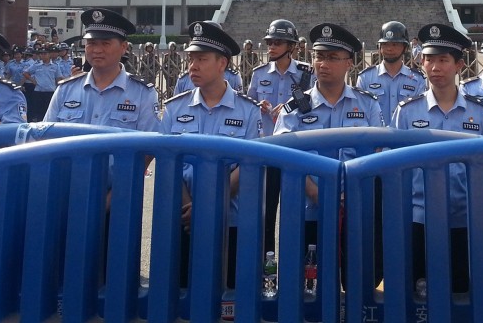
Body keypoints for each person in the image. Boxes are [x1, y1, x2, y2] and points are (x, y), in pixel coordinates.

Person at [392, 23, 483, 293]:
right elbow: (394, 170)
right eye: (428, 59)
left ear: (460, 65)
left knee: (462, 290)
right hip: (419, 219)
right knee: (417, 293)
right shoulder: (407, 112)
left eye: (443, 60)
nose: (434, 67)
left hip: (466, 218)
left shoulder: (481, 113)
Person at [159, 21, 262, 286]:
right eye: (191, 59)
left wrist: (209, 204)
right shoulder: (174, 109)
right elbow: (168, 162)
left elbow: (249, 166)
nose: (192, 66)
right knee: (182, 288)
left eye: (201, 59)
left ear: (222, 64)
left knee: (228, 292)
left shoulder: (248, 111)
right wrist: (189, 208)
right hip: (184, 220)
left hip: (231, 218)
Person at [273, 23, 384, 246]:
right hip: (306, 211)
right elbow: (281, 155)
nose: (323, 64)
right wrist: (314, 191)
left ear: (349, 63)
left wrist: (349, 193)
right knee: (308, 276)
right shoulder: (294, 109)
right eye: (319, 56)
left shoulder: (368, 105)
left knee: (356, 275)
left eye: (332, 57)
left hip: (355, 208)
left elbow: (379, 153)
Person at [246, 19, 314, 253]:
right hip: (267, 150)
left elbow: (312, 109)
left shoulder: (306, 74)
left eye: (277, 43)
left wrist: (289, 107)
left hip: (294, 152)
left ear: (291, 47)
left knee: (294, 211)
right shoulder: (259, 73)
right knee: (266, 212)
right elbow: (249, 105)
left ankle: (296, 261)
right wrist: (259, 104)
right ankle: (268, 265)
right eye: (269, 42)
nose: (271, 47)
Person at [43, 8, 159, 131]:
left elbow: (150, 146)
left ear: (123, 47)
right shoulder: (65, 90)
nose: (97, 50)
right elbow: (45, 137)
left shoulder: (143, 94)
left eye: (105, 43)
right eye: (91, 43)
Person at [355, 21, 426, 123]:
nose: (389, 49)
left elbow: (420, 114)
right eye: (385, 44)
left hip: (406, 137)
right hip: (375, 137)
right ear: (379, 48)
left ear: (405, 48)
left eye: (395, 44)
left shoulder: (417, 79)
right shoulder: (365, 78)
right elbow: (360, 114)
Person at [23, 47, 61, 123]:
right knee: (38, 114)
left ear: (49, 54)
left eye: (45, 54)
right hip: (39, 92)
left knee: (50, 113)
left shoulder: (55, 66)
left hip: (50, 92)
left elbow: (58, 78)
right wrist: (33, 81)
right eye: (41, 54)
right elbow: (26, 73)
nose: (43, 55)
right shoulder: (36, 65)